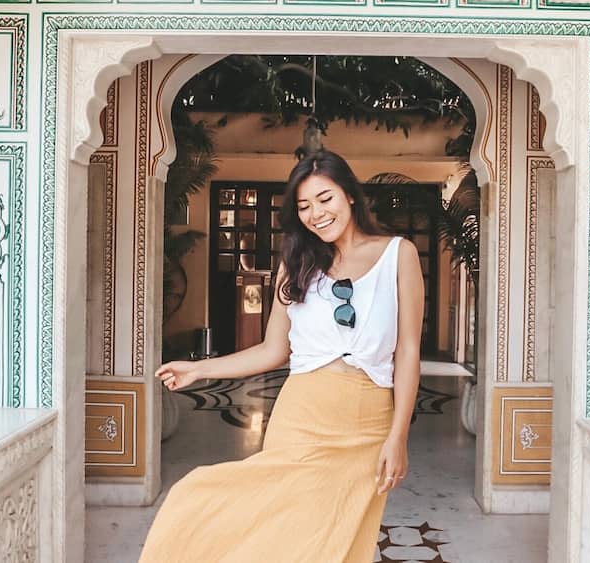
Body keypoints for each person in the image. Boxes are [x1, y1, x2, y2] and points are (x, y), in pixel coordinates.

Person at [138, 149, 424, 562]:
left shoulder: (400, 254)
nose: (316, 214)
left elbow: (409, 351)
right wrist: (199, 370)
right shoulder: (296, 264)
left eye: (325, 199)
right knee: (281, 534)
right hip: (301, 419)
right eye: (304, 206)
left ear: (349, 195)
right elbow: (273, 351)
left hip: (368, 425)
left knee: (338, 539)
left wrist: (398, 437)